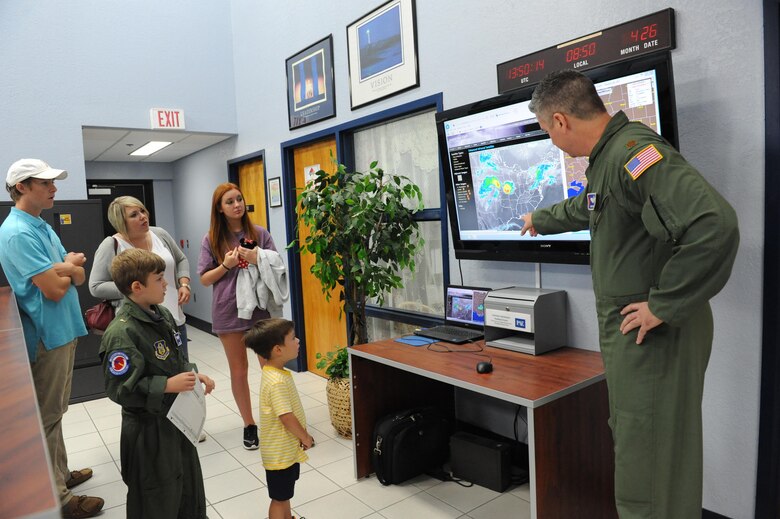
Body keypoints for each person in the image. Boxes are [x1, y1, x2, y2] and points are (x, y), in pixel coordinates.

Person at [519, 70, 739, 518]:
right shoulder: (608, 159)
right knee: (644, 446)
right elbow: (590, 206)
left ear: (560, 121)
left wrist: (663, 303)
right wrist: (541, 219)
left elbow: (714, 225)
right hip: (638, 339)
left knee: (650, 458)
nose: (553, 143)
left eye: (547, 132)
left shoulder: (634, 154)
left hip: (654, 338)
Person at [0, 159, 104, 518]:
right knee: (48, 415)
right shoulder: (16, 232)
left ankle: (60, 474)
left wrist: (65, 268)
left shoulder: (40, 226)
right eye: (45, 182)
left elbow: (75, 276)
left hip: (64, 331)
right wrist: (66, 267)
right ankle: (58, 498)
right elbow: (56, 289)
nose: (54, 188)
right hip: (47, 335)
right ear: (22, 187)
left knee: (57, 412)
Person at [99, 248, 215, 519]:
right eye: (160, 279)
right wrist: (165, 385)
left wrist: (192, 376)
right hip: (148, 432)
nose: (167, 284)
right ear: (137, 287)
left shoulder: (161, 314)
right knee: (156, 500)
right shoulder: (122, 333)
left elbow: (173, 359)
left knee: (188, 491)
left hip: (176, 421)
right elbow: (119, 389)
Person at [198, 182, 277, 450]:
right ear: (219, 209)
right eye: (230, 202)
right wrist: (226, 265)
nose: (237, 205)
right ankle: (249, 424)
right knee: (239, 370)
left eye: (239, 199)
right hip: (227, 311)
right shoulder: (211, 239)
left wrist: (258, 258)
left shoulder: (260, 233)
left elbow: (277, 266)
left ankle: (276, 417)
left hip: (259, 310)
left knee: (270, 366)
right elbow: (205, 279)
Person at [89, 196, 192, 357]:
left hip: (174, 320)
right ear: (120, 221)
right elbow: (96, 286)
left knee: (182, 371)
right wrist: (135, 288)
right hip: (139, 327)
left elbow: (181, 259)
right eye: (134, 215)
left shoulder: (160, 234)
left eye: (142, 211)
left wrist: (184, 284)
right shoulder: (111, 245)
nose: (143, 216)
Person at [244, 318, 313, 519]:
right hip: (279, 454)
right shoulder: (276, 382)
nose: (298, 341)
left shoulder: (274, 372)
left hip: (283, 450)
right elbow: (286, 417)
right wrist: (305, 436)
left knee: (284, 494)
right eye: (292, 338)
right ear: (278, 350)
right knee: (279, 498)